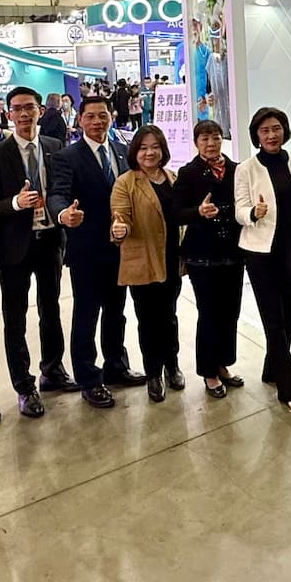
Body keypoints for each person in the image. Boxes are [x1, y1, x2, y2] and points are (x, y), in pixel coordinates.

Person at [0, 87, 76, 418]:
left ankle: (53, 369)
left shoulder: (54, 146)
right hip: (13, 246)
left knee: (51, 308)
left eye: (29, 107)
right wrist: (16, 203)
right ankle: (24, 385)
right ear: (8, 114)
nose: (23, 114)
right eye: (17, 108)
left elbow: (62, 189)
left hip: (50, 239)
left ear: (40, 111)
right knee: (15, 316)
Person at [47, 96, 142, 408]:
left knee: (116, 311)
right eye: (90, 116)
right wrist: (64, 214)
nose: (98, 121)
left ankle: (116, 365)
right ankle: (89, 378)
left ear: (111, 117)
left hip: (121, 247)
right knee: (86, 315)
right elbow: (58, 194)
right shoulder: (67, 157)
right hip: (87, 249)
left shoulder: (122, 151)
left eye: (103, 115)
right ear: (80, 120)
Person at [234, 107, 291, 412]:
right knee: (273, 318)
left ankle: (275, 366)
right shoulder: (246, 169)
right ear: (256, 135)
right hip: (260, 251)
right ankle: (288, 385)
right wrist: (254, 213)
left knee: (287, 310)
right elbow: (240, 210)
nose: (271, 135)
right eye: (265, 130)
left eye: (276, 128)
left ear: (284, 130)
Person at [109, 125, 184, 404]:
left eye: (155, 147)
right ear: (135, 152)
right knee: (149, 320)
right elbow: (120, 218)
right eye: (143, 148)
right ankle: (153, 373)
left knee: (170, 316)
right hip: (143, 260)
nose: (149, 153)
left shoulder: (173, 177)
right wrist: (119, 230)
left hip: (172, 259)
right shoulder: (126, 182)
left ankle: (172, 366)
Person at [173, 120, 244, 398]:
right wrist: (198, 212)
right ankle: (209, 372)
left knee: (230, 312)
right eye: (204, 139)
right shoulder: (188, 172)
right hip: (202, 256)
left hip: (233, 252)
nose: (211, 143)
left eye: (215, 137)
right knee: (209, 314)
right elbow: (175, 213)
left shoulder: (237, 169)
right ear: (196, 143)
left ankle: (223, 364)